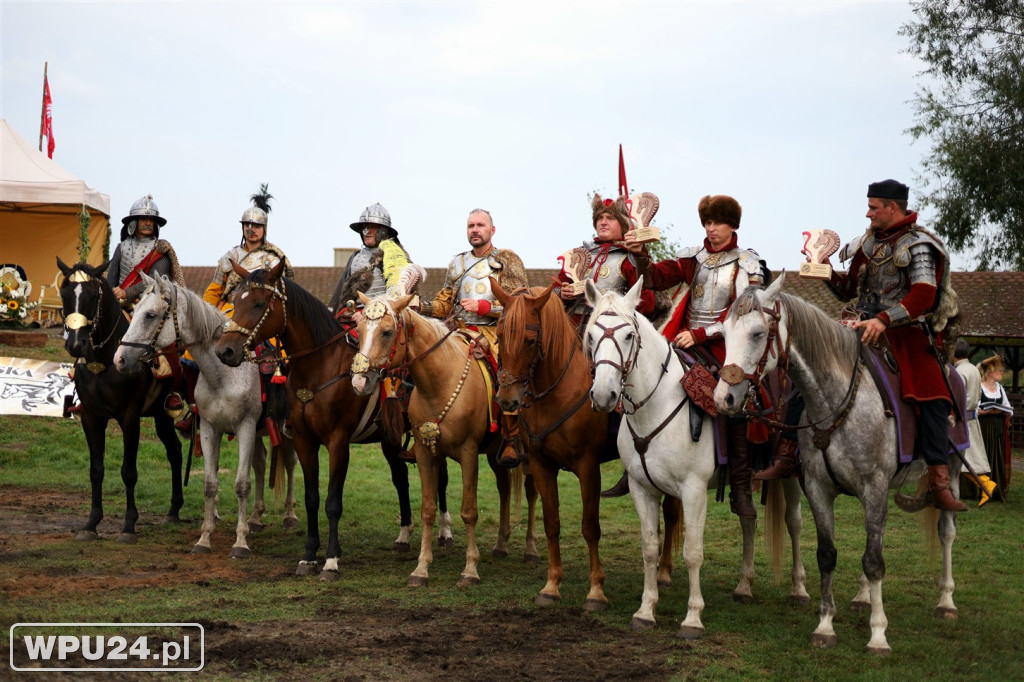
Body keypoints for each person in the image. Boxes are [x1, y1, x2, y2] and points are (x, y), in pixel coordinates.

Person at [819, 178, 966, 511]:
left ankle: (940, 481)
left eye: (873, 207)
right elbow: (847, 291)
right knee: (814, 371)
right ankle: (790, 451)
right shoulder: (867, 244)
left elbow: (924, 296)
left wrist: (885, 319)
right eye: (868, 207)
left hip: (908, 332)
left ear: (893, 207)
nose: (867, 213)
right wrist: (823, 266)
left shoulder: (919, 245)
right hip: (859, 324)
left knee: (931, 389)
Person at [620, 194, 765, 518]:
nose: (711, 229)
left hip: (727, 347)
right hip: (683, 342)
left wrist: (700, 334)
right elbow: (656, 277)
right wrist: (641, 255)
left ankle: (741, 484)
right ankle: (634, 465)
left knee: (738, 401)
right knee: (638, 380)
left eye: (718, 223)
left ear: (733, 225)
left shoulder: (748, 262)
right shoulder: (693, 258)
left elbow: (745, 308)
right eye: (707, 223)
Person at [420, 209, 527, 466]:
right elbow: (444, 305)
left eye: (480, 225)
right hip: (458, 331)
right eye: (471, 226)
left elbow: (519, 305)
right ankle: (422, 430)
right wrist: (420, 307)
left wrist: (485, 308)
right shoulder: (457, 264)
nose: (475, 230)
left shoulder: (507, 261)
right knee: (422, 358)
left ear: (492, 230)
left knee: (507, 372)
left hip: (495, 333)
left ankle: (511, 438)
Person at [556, 194, 656, 328]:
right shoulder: (580, 254)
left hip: (613, 331)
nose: (603, 222)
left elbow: (645, 301)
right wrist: (562, 295)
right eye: (599, 218)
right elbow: (555, 290)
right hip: (574, 329)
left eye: (610, 218)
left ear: (622, 224)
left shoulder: (631, 256)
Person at [203, 184, 294, 312]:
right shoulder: (229, 257)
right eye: (248, 225)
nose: (251, 230)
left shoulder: (272, 260)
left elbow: (280, 297)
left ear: (264, 229)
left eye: (257, 226)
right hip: (226, 314)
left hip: (257, 315)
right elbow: (213, 292)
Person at [327, 203, 414, 315]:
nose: (366, 231)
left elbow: (396, 295)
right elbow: (340, 291)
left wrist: (366, 316)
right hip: (352, 315)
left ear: (383, 230)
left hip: (382, 316)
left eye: (372, 227)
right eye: (364, 227)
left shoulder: (393, 256)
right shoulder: (355, 256)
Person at [107, 194, 184, 305]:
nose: (148, 223)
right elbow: (111, 280)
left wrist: (126, 293)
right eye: (143, 219)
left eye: (151, 220)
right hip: (120, 302)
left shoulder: (161, 249)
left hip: (150, 305)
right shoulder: (121, 247)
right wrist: (114, 293)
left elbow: (156, 280)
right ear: (134, 222)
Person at [954, 340, 998, 506]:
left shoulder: (958, 372)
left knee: (963, 459)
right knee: (967, 458)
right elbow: (978, 395)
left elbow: (956, 396)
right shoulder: (973, 369)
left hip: (961, 419)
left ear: (953, 354)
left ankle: (986, 484)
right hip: (971, 417)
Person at [978, 354, 1014, 501]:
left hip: (997, 428)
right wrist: (982, 411)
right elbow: (972, 407)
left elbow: (1009, 409)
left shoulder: (999, 388)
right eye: (999, 370)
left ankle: (995, 488)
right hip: (983, 427)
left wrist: (1003, 410)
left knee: (996, 456)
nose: (1001, 373)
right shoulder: (979, 387)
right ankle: (980, 489)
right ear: (990, 372)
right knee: (982, 456)